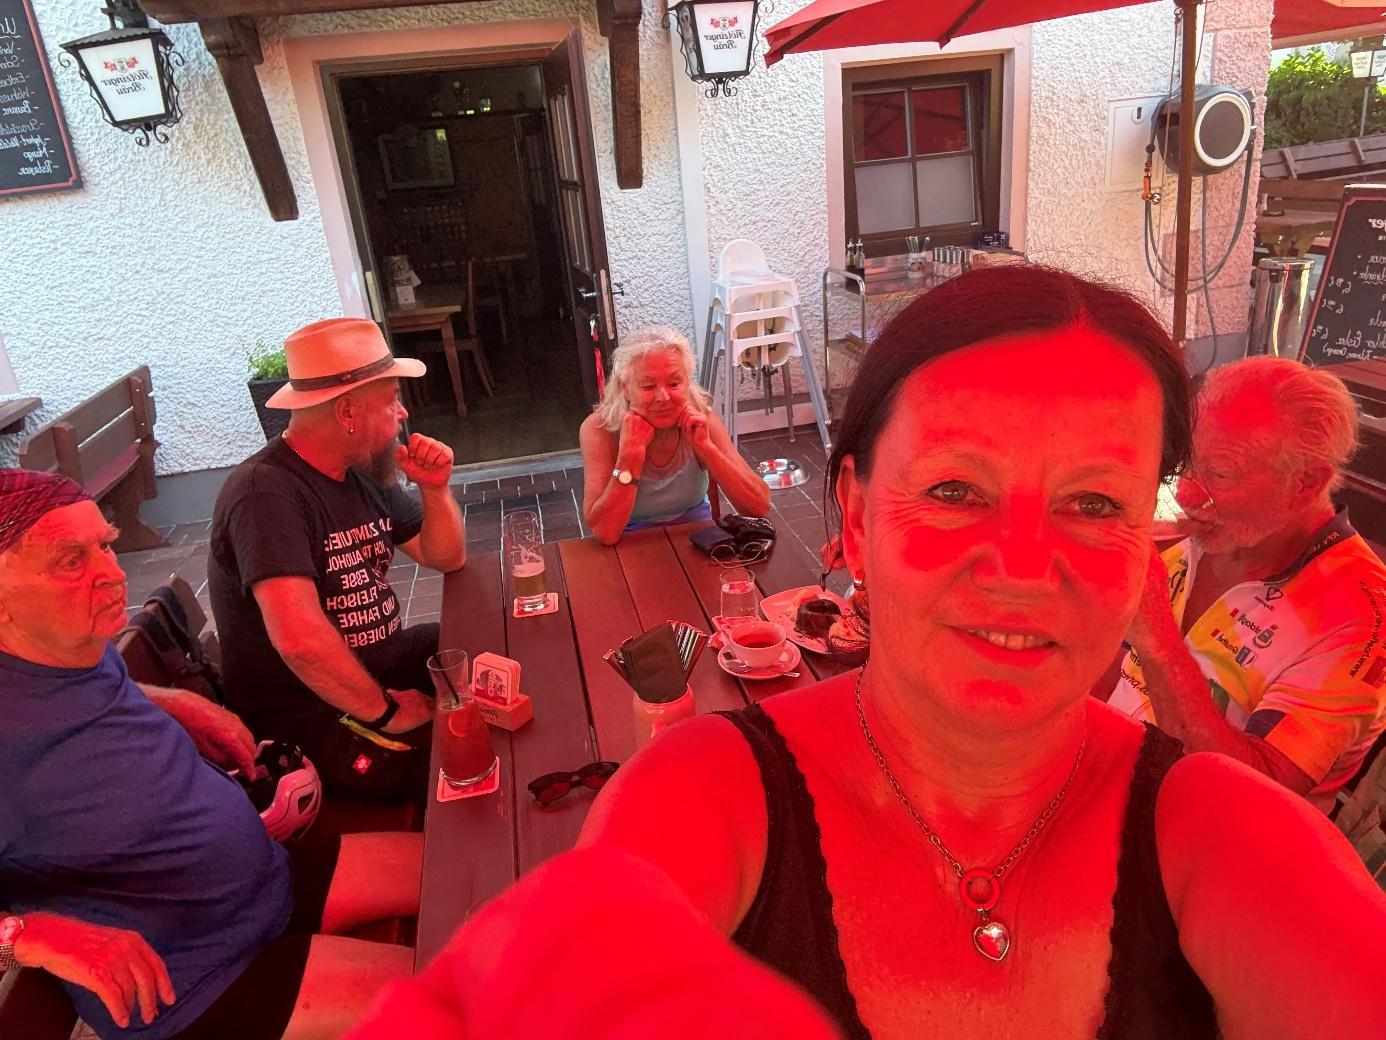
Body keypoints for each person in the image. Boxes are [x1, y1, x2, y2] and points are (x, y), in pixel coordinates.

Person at [351, 267, 1386, 1039]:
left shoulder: (1228, 833)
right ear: (851, 516)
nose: (1025, 567)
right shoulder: (701, 793)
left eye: (1093, 503)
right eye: (954, 489)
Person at [0, 470, 422, 1040]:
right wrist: (32, 937)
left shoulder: (63, 643)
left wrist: (171, 700)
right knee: (460, 996)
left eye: (105, 544)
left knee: (459, 866)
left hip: (262, 883)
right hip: (199, 977)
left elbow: (72, 700)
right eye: (71, 561)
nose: (113, 573)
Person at [1104, 356, 1386, 811]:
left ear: (1305, 483)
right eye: (1188, 464)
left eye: (1220, 474)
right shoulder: (1211, 533)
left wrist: (1157, 639)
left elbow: (1252, 795)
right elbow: (1117, 669)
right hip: (1110, 774)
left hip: (1204, 830)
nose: (1186, 494)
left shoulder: (1360, 617)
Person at [210, 317, 466, 802]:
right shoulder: (264, 493)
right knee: (461, 758)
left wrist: (435, 490)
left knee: (478, 644)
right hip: (310, 712)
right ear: (348, 411)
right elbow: (301, 642)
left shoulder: (360, 470)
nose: (402, 413)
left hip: (375, 665)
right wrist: (388, 712)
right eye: (391, 399)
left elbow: (445, 557)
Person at [579, 326, 770, 544]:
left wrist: (707, 449)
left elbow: (759, 506)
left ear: (687, 382)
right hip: (628, 544)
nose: (663, 397)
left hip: (697, 540)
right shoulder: (600, 429)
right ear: (625, 388)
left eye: (674, 383)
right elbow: (605, 532)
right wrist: (630, 456)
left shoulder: (701, 417)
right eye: (648, 386)